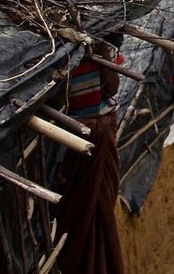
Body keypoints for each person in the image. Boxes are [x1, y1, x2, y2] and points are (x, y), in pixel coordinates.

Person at [56, 37, 127, 274]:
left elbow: (113, 88)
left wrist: (102, 54)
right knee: (79, 208)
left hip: (100, 134)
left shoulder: (102, 46)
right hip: (75, 136)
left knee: (100, 206)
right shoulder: (55, 51)